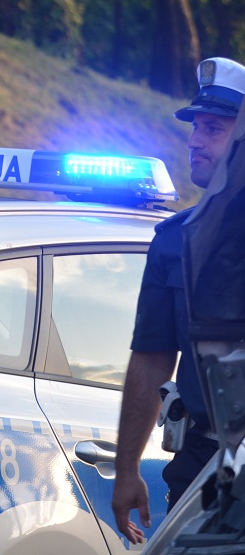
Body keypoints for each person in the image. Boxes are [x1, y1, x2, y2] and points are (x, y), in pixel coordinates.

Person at [112, 56, 245, 544]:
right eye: (195, 128)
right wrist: (127, 471)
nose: (194, 141)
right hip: (198, 470)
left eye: (212, 128)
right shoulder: (172, 239)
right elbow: (150, 359)